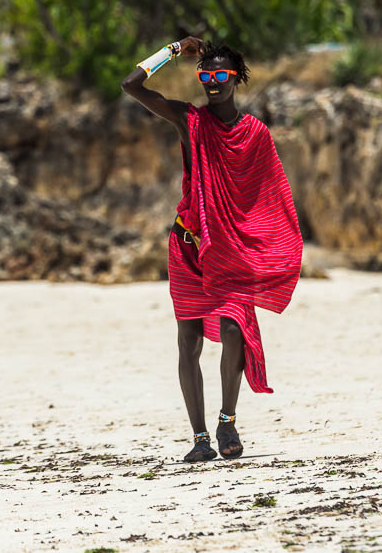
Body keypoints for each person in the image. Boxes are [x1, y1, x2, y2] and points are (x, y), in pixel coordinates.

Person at [121, 38, 302, 463]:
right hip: (187, 246)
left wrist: (259, 246)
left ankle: (227, 420)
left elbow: (267, 198)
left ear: (236, 79)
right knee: (188, 343)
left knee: (234, 330)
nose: (213, 82)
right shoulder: (189, 120)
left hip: (231, 250)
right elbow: (131, 84)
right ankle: (200, 437)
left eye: (222, 75)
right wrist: (173, 50)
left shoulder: (256, 133)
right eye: (206, 75)